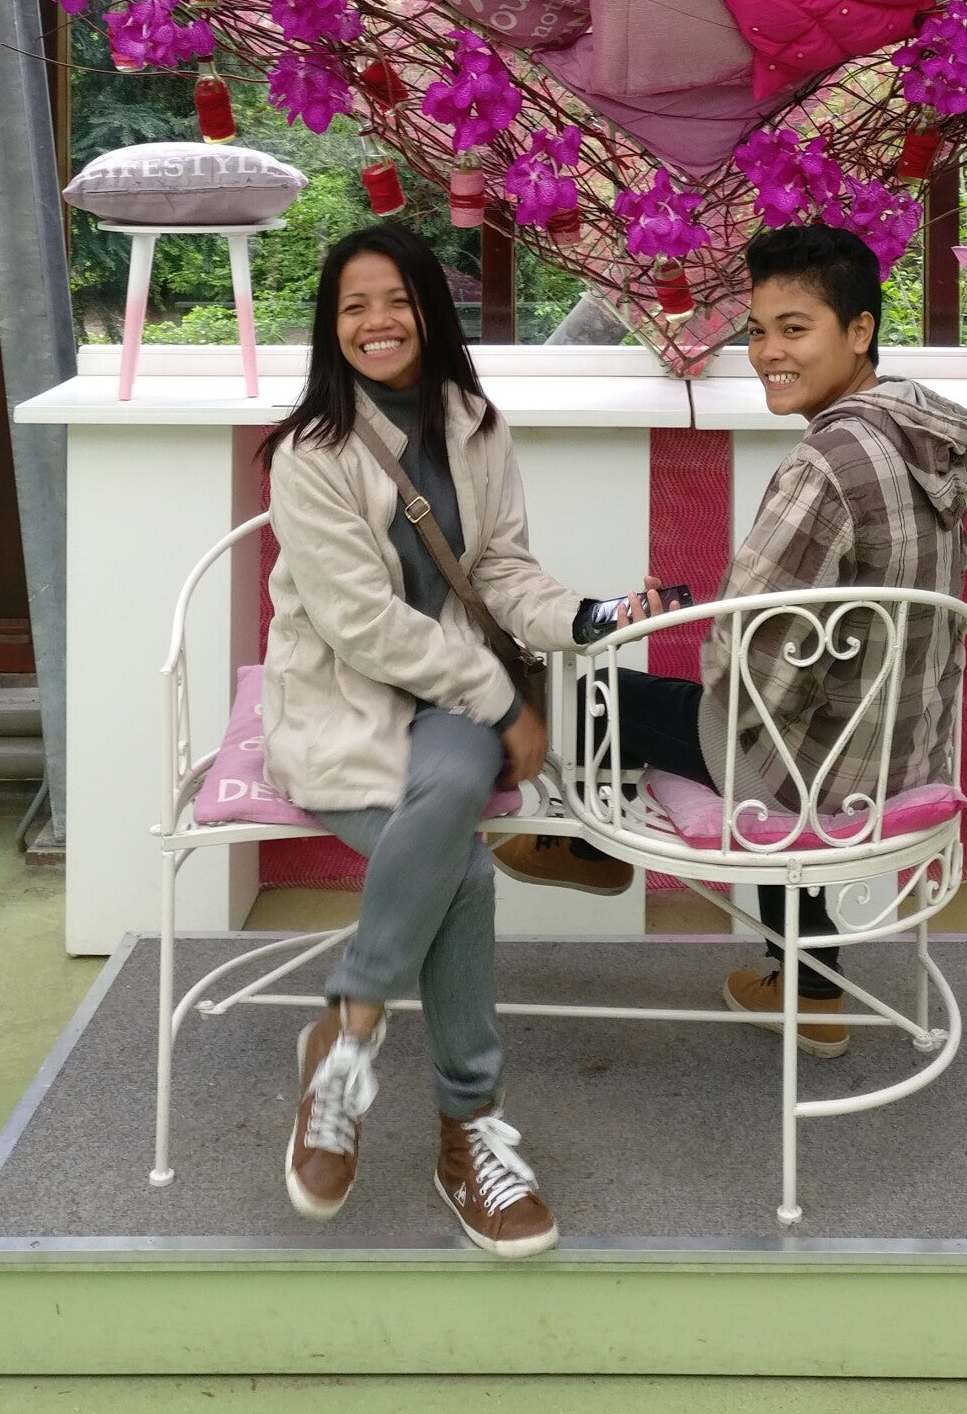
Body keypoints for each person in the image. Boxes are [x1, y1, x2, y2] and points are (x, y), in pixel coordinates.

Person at [259, 224, 662, 1254]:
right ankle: (467, 1127)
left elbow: (502, 573)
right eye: (353, 306)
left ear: (431, 310)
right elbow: (359, 625)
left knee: (447, 818)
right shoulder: (308, 454)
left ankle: (349, 1023)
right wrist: (500, 699)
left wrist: (588, 616)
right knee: (466, 873)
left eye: (395, 299)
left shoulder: (475, 424)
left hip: (450, 699)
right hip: (347, 700)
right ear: (331, 326)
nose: (376, 322)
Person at [493, 224, 967, 1058]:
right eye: (756, 331)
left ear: (859, 331)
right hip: (908, 747)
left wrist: (696, 660)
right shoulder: (924, 441)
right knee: (770, 713)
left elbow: (747, 649)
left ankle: (588, 845)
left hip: (824, 774)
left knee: (601, 692)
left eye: (795, 328)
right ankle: (809, 987)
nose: (767, 353)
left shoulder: (828, 461)